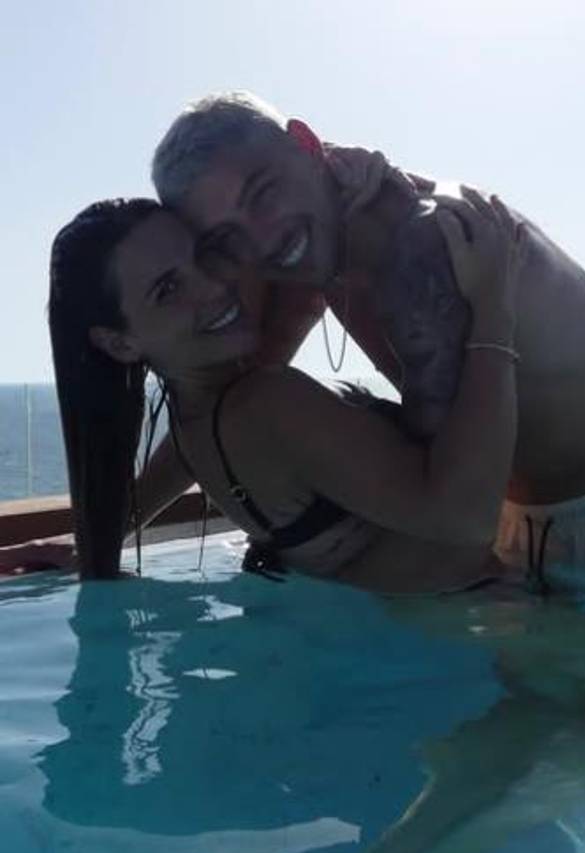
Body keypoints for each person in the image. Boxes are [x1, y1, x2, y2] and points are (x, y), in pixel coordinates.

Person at [147, 91, 585, 603]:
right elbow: (226, 403)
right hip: (529, 523)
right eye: (227, 236)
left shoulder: (432, 243)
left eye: (263, 192)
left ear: (306, 144)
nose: (262, 240)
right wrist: (113, 528)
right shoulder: (312, 245)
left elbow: (452, 509)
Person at [48, 190, 525, 590]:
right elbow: (465, 520)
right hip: (488, 628)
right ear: (119, 342)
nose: (213, 287)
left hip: (415, 636)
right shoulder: (266, 406)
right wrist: (493, 309)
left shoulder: (196, 425)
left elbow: (153, 485)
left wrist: (86, 545)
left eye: (204, 255)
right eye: (168, 289)